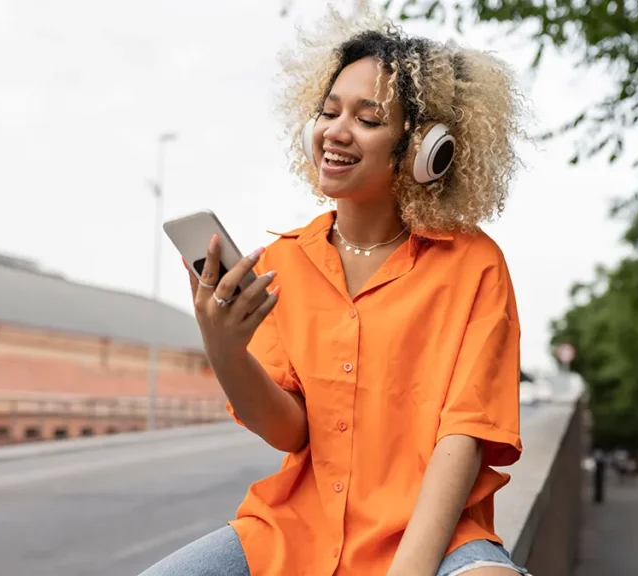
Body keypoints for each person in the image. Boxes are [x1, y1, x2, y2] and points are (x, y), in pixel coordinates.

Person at [141, 5, 529, 576]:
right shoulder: (282, 263)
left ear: (425, 149)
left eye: (368, 120)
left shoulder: (474, 265)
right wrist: (223, 348)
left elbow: (463, 437)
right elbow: (290, 430)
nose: (335, 132)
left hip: (435, 541)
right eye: (328, 112)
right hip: (291, 531)